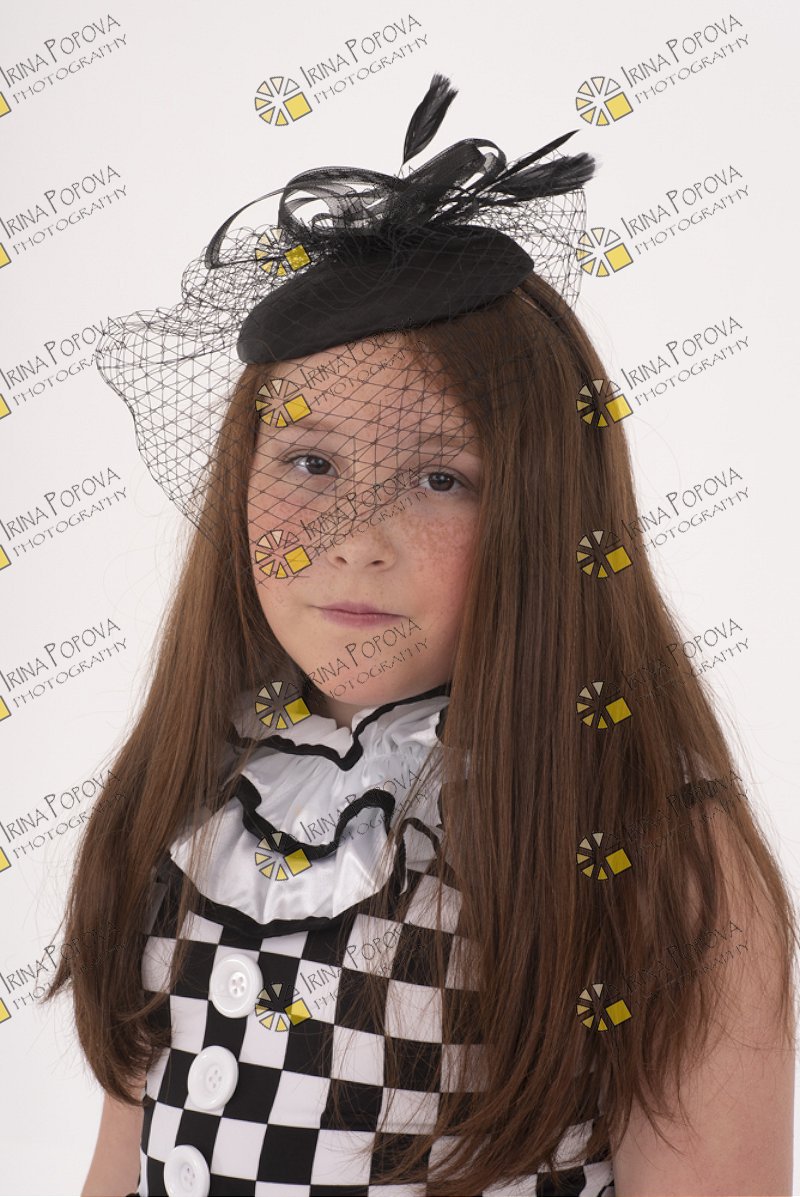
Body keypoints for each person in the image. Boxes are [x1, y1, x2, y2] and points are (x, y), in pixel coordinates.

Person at [44, 73, 796, 1197]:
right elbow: (123, 1163)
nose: (354, 539)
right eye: (310, 463)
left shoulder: (653, 856)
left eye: (439, 477)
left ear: (541, 516)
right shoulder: (189, 802)